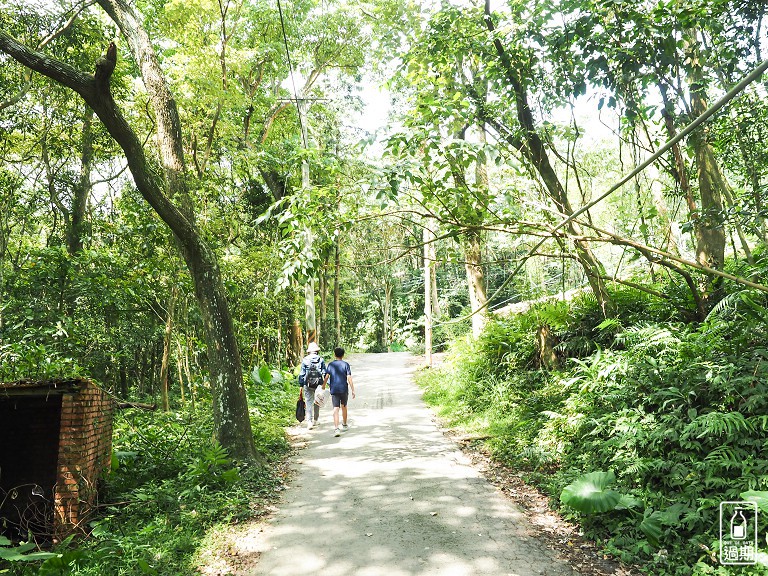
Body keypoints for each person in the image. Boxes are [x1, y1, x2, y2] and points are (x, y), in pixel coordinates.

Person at [322, 347, 355, 437]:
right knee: (344, 406)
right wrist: (353, 389)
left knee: (335, 408)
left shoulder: (331, 365)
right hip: (344, 389)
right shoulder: (346, 364)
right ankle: (344, 424)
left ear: (334, 354)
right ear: (343, 355)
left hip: (334, 389)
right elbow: (349, 378)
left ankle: (336, 428)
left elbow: (326, 377)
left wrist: (323, 386)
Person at [298, 342, 326, 429]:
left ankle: (309, 422)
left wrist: (301, 385)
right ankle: (316, 420)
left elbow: (302, 374)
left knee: (309, 402)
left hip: (307, 383)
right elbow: (324, 372)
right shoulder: (321, 359)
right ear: (317, 351)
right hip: (319, 384)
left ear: (309, 351)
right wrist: (326, 383)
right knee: (317, 401)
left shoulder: (305, 360)